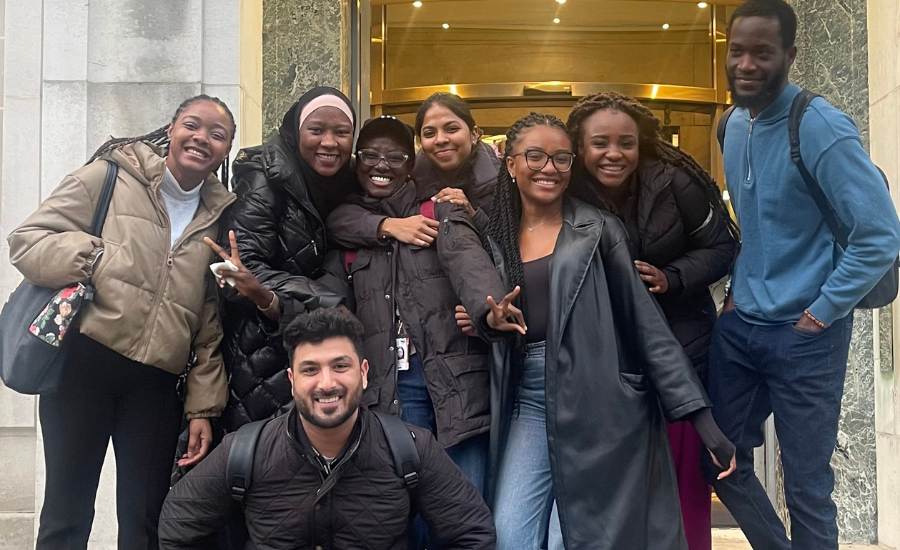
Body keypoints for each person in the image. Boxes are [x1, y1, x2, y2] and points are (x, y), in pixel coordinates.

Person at [484, 112, 736, 550]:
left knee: (578, 539)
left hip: (599, 402)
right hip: (526, 401)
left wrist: (701, 418)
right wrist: (486, 321)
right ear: (509, 163)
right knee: (510, 536)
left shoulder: (598, 230)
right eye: (536, 156)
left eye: (561, 158)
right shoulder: (496, 234)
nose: (549, 168)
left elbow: (647, 325)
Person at [707, 1, 900, 548]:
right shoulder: (732, 125)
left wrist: (821, 311)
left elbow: (882, 234)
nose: (745, 64)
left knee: (808, 489)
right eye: (736, 51)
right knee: (718, 458)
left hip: (806, 336)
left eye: (762, 53)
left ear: (790, 55)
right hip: (742, 327)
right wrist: (735, 296)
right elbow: (760, 224)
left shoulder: (818, 125)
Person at [7, 95, 236, 549]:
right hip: (82, 369)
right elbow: (26, 241)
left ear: (226, 149)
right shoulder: (110, 176)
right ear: (171, 129)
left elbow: (208, 322)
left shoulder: (219, 214)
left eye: (218, 134)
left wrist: (202, 409)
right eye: (192, 125)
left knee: (145, 524)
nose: (202, 139)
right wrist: (94, 257)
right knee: (66, 516)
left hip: (154, 386)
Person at [322, 115, 523, 548]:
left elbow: (469, 264)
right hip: (389, 390)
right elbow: (330, 302)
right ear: (357, 162)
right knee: (402, 514)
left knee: (462, 512)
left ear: (411, 163)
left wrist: (489, 310)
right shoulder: (348, 231)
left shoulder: (440, 209)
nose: (382, 164)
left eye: (395, 157)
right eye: (371, 155)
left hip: (455, 386)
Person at [157, 308, 497, 550]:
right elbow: (177, 526)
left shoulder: (410, 449)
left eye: (340, 366)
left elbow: (474, 535)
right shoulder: (245, 451)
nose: (327, 383)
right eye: (310, 370)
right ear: (291, 381)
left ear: (364, 373)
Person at [565, 92, 740, 550]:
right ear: (580, 147)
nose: (613, 154)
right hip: (606, 360)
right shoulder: (566, 188)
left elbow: (723, 248)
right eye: (600, 143)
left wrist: (673, 276)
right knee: (619, 492)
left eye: (626, 142)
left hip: (682, 348)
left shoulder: (675, 181)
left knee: (683, 486)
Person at [216, 86, 356, 437]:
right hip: (261, 353)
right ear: (296, 131)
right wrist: (325, 300)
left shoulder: (347, 181)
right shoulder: (265, 177)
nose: (329, 142)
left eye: (342, 132)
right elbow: (242, 268)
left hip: (320, 352)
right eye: (317, 130)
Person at [328, 92, 499, 250]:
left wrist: (473, 215)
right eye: (430, 133)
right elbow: (342, 219)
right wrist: (388, 225)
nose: (440, 139)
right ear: (421, 142)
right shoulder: (409, 179)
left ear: (474, 134)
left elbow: (512, 249)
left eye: (452, 129)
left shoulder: (506, 182)